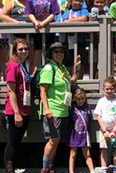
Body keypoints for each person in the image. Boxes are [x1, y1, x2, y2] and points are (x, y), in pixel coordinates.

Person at [39, 42, 80, 173]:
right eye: (56, 52)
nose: (59, 54)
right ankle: (44, 168)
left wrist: (77, 69)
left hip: (64, 110)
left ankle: (50, 165)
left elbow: (71, 82)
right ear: (51, 54)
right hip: (53, 110)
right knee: (53, 140)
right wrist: (46, 109)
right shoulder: (48, 68)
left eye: (61, 52)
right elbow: (43, 90)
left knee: (56, 140)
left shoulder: (62, 68)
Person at [4, 38, 32, 173]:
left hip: (24, 108)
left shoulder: (22, 64)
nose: (24, 51)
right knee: (13, 142)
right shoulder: (13, 65)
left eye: (26, 48)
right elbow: (11, 90)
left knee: (17, 142)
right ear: (15, 50)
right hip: (16, 110)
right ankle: (9, 169)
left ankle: (13, 167)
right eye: (20, 49)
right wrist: (16, 113)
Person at [26, 0, 60, 69]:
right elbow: (29, 13)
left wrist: (44, 23)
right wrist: (36, 22)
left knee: (49, 49)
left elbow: (54, 13)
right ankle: (37, 70)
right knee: (37, 49)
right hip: (36, 28)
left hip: (48, 27)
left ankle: (49, 68)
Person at [94, 76, 116, 173]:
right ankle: (104, 169)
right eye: (107, 89)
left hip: (115, 130)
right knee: (104, 149)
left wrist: (114, 130)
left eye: (111, 88)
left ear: (115, 88)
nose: (109, 91)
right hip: (104, 130)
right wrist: (104, 130)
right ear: (103, 89)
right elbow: (98, 116)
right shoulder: (101, 101)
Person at [60, 0, 89, 79]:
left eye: (80, 1)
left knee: (80, 61)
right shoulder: (67, 12)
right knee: (68, 61)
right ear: (71, 2)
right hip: (68, 40)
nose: (78, 3)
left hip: (80, 40)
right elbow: (62, 21)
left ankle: (79, 80)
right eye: (76, 1)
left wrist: (69, 21)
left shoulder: (83, 11)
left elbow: (84, 18)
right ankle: (69, 80)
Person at [68, 87, 95, 173]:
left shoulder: (87, 107)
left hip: (84, 135)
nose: (81, 100)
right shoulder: (72, 108)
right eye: (78, 99)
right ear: (75, 99)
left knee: (87, 154)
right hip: (74, 135)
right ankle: (71, 171)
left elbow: (89, 121)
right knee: (73, 154)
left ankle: (92, 171)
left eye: (83, 98)